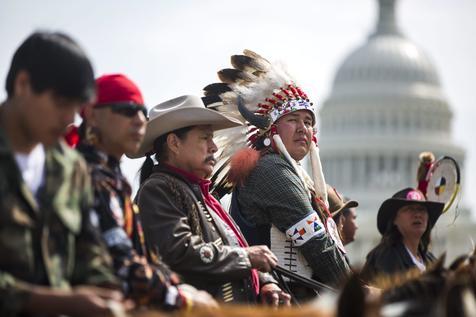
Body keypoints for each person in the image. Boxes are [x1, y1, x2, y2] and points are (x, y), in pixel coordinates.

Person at [201, 50, 350, 296]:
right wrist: (355, 290)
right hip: (278, 298)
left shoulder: (289, 171)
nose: (304, 128)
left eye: (308, 121)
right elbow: (315, 242)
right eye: (292, 119)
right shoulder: (270, 169)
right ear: (271, 130)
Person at [0, 31, 125, 316]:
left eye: (75, 107)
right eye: (61, 103)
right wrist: (54, 301)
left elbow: (89, 249)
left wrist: (107, 292)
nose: (70, 118)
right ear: (23, 85)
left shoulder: (71, 168)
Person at [74, 74, 217, 310]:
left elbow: (143, 259)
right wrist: (182, 299)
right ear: (92, 115)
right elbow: (121, 264)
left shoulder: (111, 180)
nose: (140, 119)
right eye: (128, 110)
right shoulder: (89, 177)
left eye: (142, 111)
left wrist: (176, 288)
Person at [131, 95, 290, 305]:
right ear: (174, 143)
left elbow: (233, 244)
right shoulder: (158, 189)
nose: (214, 147)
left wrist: (265, 281)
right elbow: (179, 251)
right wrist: (246, 257)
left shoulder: (203, 194)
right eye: (205, 138)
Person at [361, 187, 444, 283]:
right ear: (394, 220)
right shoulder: (386, 256)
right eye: (410, 209)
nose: (417, 214)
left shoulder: (431, 261)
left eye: (421, 209)